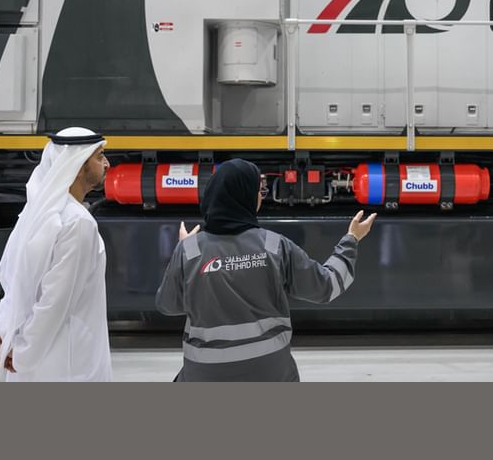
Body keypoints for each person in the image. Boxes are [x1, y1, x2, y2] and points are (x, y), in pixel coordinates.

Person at [156, 158, 376, 381]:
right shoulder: (274, 246)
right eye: (259, 190)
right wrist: (351, 239)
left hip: (205, 373)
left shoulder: (189, 250)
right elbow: (327, 287)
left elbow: (167, 305)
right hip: (271, 372)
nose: (262, 195)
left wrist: (181, 250)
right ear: (246, 197)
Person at [0, 127, 113, 382]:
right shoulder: (77, 223)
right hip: (66, 361)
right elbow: (55, 301)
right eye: (99, 156)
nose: (107, 163)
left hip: (33, 352)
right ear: (78, 165)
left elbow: (11, 280)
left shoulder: (35, 212)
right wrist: (22, 353)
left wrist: (6, 333)